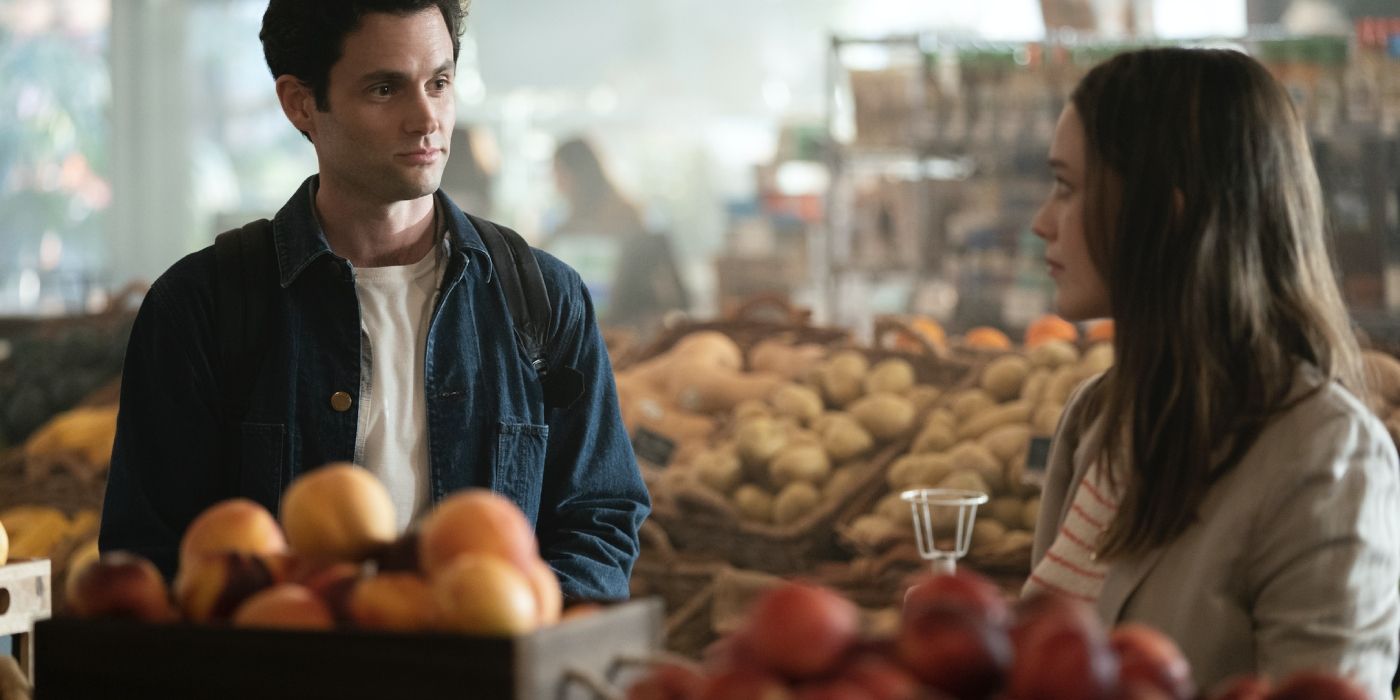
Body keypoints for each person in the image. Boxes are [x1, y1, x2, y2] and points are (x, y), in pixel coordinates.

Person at [99, 0, 650, 603]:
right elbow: (150, 555)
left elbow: (598, 519)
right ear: (300, 103)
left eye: (439, 83)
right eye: (385, 89)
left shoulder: (542, 297)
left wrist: (519, 648)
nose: (427, 119)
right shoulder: (202, 307)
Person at [1024, 47, 1399, 695]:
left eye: (1066, 186)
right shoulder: (1098, 416)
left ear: (1168, 215)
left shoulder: (1328, 459)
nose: (1042, 222)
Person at [547, 136, 689, 334]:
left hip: (624, 330)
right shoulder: (566, 227)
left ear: (577, 173)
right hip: (590, 327)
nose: (555, 181)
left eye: (559, 172)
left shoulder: (626, 219)